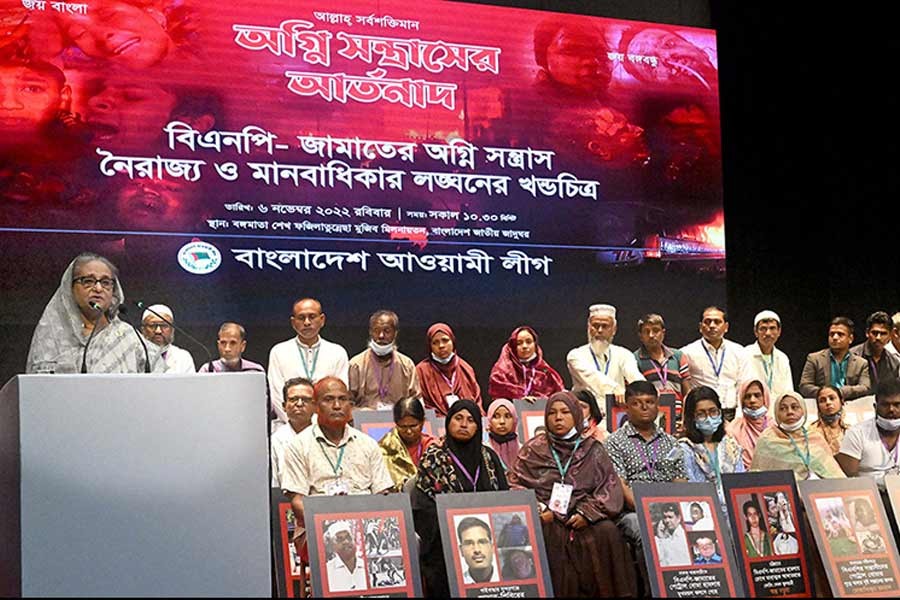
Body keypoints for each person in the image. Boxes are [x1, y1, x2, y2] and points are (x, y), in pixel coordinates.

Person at [508, 390, 636, 597]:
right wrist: (539, 508)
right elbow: (515, 484)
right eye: (552, 413)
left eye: (565, 412)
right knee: (546, 533)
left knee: (607, 532)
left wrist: (587, 513)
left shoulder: (592, 449)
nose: (558, 418)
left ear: (576, 415)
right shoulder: (533, 449)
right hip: (547, 516)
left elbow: (609, 487)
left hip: (584, 516)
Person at [281, 377, 393, 554]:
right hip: (318, 527)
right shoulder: (298, 445)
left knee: (411, 540)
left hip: (365, 523)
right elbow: (297, 502)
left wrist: (365, 525)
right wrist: (334, 525)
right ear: (316, 406)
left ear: (350, 405)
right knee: (334, 543)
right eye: (328, 399)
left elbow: (383, 494)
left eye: (342, 399)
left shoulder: (368, 444)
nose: (337, 405)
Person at [411, 400, 508, 596]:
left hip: (487, 540)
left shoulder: (489, 457)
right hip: (444, 545)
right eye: (458, 418)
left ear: (478, 426)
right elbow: (422, 508)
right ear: (448, 422)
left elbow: (504, 500)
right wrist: (452, 528)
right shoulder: (434, 458)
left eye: (471, 420)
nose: (464, 424)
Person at [605, 381, 686, 593]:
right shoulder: (614, 442)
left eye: (649, 402)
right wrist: (651, 511)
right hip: (632, 511)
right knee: (646, 531)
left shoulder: (671, 442)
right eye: (637, 403)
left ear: (657, 405)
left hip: (670, 508)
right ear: (626, 407)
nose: (644, 407)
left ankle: (687, 587)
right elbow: (621, 485)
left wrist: (670, 511)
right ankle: (655, 590)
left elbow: (680, 480)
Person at [26, 252, 163, 374]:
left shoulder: (129, 337)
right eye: (88, 281)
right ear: (70, 288)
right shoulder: (53, 335)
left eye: (105, 282)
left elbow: (158, 384)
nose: (98, 288)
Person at [267, 298, 349, 425]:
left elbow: (341, 394)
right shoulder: (279, 352)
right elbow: (276, 395)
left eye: (312, 317)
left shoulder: (337, 352)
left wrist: (319, 423)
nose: (307, 322)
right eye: (301, 318)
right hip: (288, 426)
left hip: (327, 426)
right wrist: (296, 423)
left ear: (322, 320)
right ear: (293, 322)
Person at [567, 304, 645, 415]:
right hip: (586, 415)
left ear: (614, 329)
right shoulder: (575, 355)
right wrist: (615, 389)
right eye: (595, 325)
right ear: (589, 327)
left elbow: (634, 376)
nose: (599, 330)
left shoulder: (624, 354)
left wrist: (646, 391)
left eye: (605, 326)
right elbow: (593, 377)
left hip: (617, 414)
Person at [750, 391, 846, 480]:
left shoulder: (815, 437)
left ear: (803, 410)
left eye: (795, 407)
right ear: (776, 413)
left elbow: (834, 474)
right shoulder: (767, 439)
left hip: (818, 492)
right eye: (783, 408)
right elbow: (758, 478)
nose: (790, 412)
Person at [680, 306, 750, 421]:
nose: (712, 325)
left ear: (726, 327)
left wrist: (739, 417)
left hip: (732, 414)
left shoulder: (739, 351)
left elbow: (742, 386)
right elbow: (685, 389)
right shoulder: (687, 353)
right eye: (707, 322)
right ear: (700, 327)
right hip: (703, 416)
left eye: (717, 322)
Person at [678, 386, 745, 503]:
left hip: (734, 508)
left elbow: (741, 482)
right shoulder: (685, 449)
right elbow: (689, 490)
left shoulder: (731, 446)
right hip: (704, 510)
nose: (709, 418)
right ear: (692, 418)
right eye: (701, 414)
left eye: (713, 412)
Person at [836, 378, 900, 490]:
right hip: (871, 495)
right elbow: (847, 479)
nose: (891, 410)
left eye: (897, 405)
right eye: (885, 405)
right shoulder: (857, 433)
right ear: (875, 407)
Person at [349, 310, 420, 409]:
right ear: (370, 332)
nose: (381, 336)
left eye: (387, 331)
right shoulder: (356, 364)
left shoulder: (407, 365)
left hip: (399, 421)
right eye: (377, 331)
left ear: (395, 333)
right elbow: (347, 402)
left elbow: (416, 401)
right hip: (365, 420)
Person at [633, 313, 691, 425]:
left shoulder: (678, 356)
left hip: (678, 418)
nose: (651, 335)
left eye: (655, 330)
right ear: (640, 335)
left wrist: (686, 419)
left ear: (663, 333)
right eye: (646, 331)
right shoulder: (634, 359)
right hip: (651, 418)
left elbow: (687, 393)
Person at [415, 323, 482, 416]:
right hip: (434, 425)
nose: (441, 346)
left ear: (453, 342)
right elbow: (420, 406)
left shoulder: (465, 368)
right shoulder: (421, 371)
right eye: (435, 342)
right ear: (430, 347)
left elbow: (477, 402)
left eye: (445, 340)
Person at [799, 317, 871, 401]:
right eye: (832, 334)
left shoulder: (861, 363)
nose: (835, 337)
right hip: (821, 406)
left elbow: (865, 387)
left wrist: (841, 392)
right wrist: (827, 393)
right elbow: (804, 386)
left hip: (850, 406)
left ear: (850, 339)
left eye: (840, 334)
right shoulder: (814, 358)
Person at [489, 325, 565, 403]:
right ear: (513, 347)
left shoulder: (544, 371)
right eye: (519, 343)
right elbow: (498, 398)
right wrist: (520, 398)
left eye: (529, 342)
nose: (524, 346)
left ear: (535, 345)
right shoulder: (501, 371)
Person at [378, 397, 435, 491]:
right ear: (396, 424)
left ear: (423, 422)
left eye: (413, 426)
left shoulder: (432, 447)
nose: (408, 431)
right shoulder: (386, 447)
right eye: (403, 426)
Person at [270, 377, 315, 488]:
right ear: (284, 406)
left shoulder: (326, 434)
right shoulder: (275, 440)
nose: (299, 404)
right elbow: (275, 482)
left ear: (315, 406)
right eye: (293, 399)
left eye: (306, 399)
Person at [744, 310, 794, 399]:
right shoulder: (745, 354)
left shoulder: (783, 358)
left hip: (777, 410)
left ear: (779, 331)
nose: (768, 333)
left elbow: (788, 390)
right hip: (753, 409)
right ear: (756, 332)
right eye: (763, 329)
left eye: (772, 328)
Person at [727, 379, 772, 469]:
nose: (752, 400)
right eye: (747, 396)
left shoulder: (775, 427)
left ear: (765, 398)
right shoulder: (733, 429)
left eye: (757, 395)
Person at [850, 311, 900, 389]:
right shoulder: (852, 356)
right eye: (875, 333)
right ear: (867, 333)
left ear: (890, 336)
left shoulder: (894, 362)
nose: (878, 338)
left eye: (883, 333)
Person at [141, 304, 195, 373]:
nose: (158, 331)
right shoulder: (133, 356)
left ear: (172, 329)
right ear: (143, 329)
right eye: (152, 325)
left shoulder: (183, 357)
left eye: (164, 325)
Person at [198, 322, 265, 373]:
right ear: (218, 345)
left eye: (233, 343)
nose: (227, 349)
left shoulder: (255, 371)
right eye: (223, 343)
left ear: (243, 346)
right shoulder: (207, 371)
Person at [324, 521, 366, 592]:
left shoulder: (366, 566)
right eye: (339, 539)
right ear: (332, 545)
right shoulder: (327, 571)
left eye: (348, 537)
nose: (346, 542)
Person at [457, 517, 500, 584]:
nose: (477, 550)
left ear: (492, 548)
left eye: (482, 542)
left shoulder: (508, 578)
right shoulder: (455, 584)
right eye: (469, 543)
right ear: (461, 550)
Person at [809, 385, 849, 455]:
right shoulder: (812, 432)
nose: (828, 402)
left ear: (841, 401)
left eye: (832, 398)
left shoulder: (850, 429)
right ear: (818, 406)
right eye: (822, 400)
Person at [486, 399, 521, 472]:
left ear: (514, 420)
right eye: (496, 416)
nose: (502, 422)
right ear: (489, 420)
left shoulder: (523, 452)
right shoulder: (484, 451)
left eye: (507, 416)